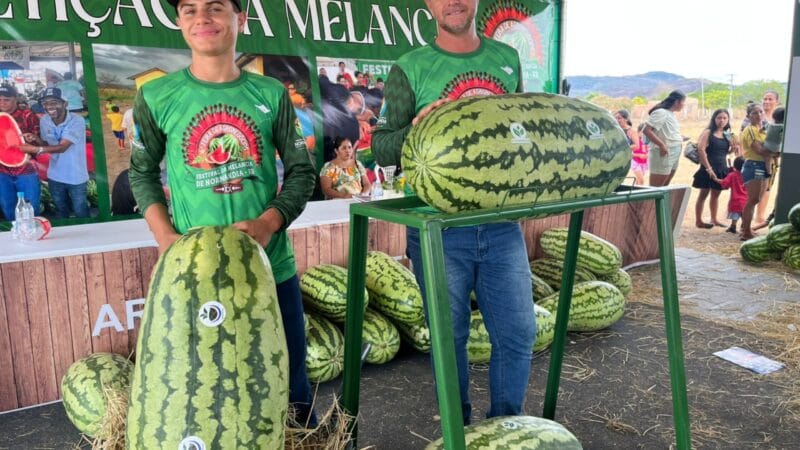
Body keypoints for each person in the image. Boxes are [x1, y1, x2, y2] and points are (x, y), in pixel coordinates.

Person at [128, 0, 317, 426]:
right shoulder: (156, 96)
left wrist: (269, 224)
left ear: (240, 19)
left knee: (289, 391)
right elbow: (140, 173)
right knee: (206, 398)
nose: (202, 18)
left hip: (271, 270)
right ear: (179, 22)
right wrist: (165, 239)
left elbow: (303, 172)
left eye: (215, 7)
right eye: (190, 9)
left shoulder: (270, 94)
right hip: (194, 275)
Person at [372, 0, 536, 425]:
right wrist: (417, 126)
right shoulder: (409, 67)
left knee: (518, 335)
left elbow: (522, 134)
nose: (453, 2)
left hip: (502, 226)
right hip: (438, 229)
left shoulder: (507, 60)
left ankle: (506, 427)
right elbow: (382, 145)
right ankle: (458, 430)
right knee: (450, 339)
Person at [20, 87, 90, 219]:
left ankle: (87, 237)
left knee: (80, 210)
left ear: (65, 104)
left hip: (76, 176)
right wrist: (36, 139)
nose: (49, 106)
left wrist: (35, 149)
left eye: (54, 102)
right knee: (60, 209)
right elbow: (47, 145)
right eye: (45, 103)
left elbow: (63, 147)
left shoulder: (77, 121)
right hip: (55, 175)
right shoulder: (44, 120)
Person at [0, 84, 42, 220]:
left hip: (26, 171)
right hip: (2, 172)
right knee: (8, 207)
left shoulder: (28, 115)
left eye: (6, 99)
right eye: (0, 99)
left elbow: (40, 141)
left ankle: (31, 235)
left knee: (30, 208)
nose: (2, 102)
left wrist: (32, 141)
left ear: (16, 99)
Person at [691, 109, 737, 228]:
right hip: (708, 167)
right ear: (714, 119)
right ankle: (698, 221)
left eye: (724, 118)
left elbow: (727, 152)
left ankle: (714, 219)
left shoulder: (728, 135)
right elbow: (701, 150)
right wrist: (708, 169)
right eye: (719, 118)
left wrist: (734, 147)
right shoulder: (708, 132)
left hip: (721, 167)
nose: (721, 120)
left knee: (716, 195)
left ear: (728, 120)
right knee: (703, 194)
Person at [642, 90, 686, 186]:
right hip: (663, 152)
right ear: (677, 102)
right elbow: (646, 130)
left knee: (664, 187)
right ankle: (651, 202)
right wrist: (662, 145)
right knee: (656, 189)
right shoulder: (661, 112)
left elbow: (665, 132)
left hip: (674, 152)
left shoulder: (671, 114)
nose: (684, 105)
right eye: (683, 102)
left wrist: (679, 137)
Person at [739, 104, 769, 240]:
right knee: (752, 199)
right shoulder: (750, 129)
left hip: (763, 165)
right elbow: (759, 150)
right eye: (754, 113)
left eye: (760, 112)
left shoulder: (762, 130)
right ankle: (745, 232)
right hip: (753, 165)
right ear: (748, 116)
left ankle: (746, 228)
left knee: (756, 199)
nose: (758, 115)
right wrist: (775, 152)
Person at [710, 156, 746, 234]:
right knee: (745, 215)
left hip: (736, 199)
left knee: (735, 215)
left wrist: (715, 179)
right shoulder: (747, 175)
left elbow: (724, 183)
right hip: (746, 199)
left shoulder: (732, 175)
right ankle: (744, 227)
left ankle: (733, 226)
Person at [614, 110, 643, 185]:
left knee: (620, 178)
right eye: (615, 118)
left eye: (619, 118)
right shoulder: (613, 130)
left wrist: (622, 149)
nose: (617, 120)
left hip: (624, 159)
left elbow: (637, 146)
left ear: (626, 119)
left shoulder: (631, 131)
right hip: (613, 158)